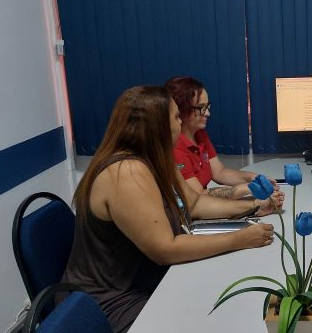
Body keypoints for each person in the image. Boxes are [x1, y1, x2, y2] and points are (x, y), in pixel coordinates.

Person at [61, 86, 280, 333]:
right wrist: (239, 239)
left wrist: (252, 207)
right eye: (176, 116)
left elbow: (194, 204)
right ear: (158, 126)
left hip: (146, 281)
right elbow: (165, 249)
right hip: (110, 302)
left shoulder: (157, 158)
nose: (181, 122)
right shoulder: (126, 172)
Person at [165, 76, 284, 206]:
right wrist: (250, 189)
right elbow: (197, 196)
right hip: (195, 211)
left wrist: (254, 178)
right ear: (181, 110)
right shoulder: (175, 147)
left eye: (208, 106)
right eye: (201, 108)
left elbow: (220, 172)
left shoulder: (199, 134)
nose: (207, 113)